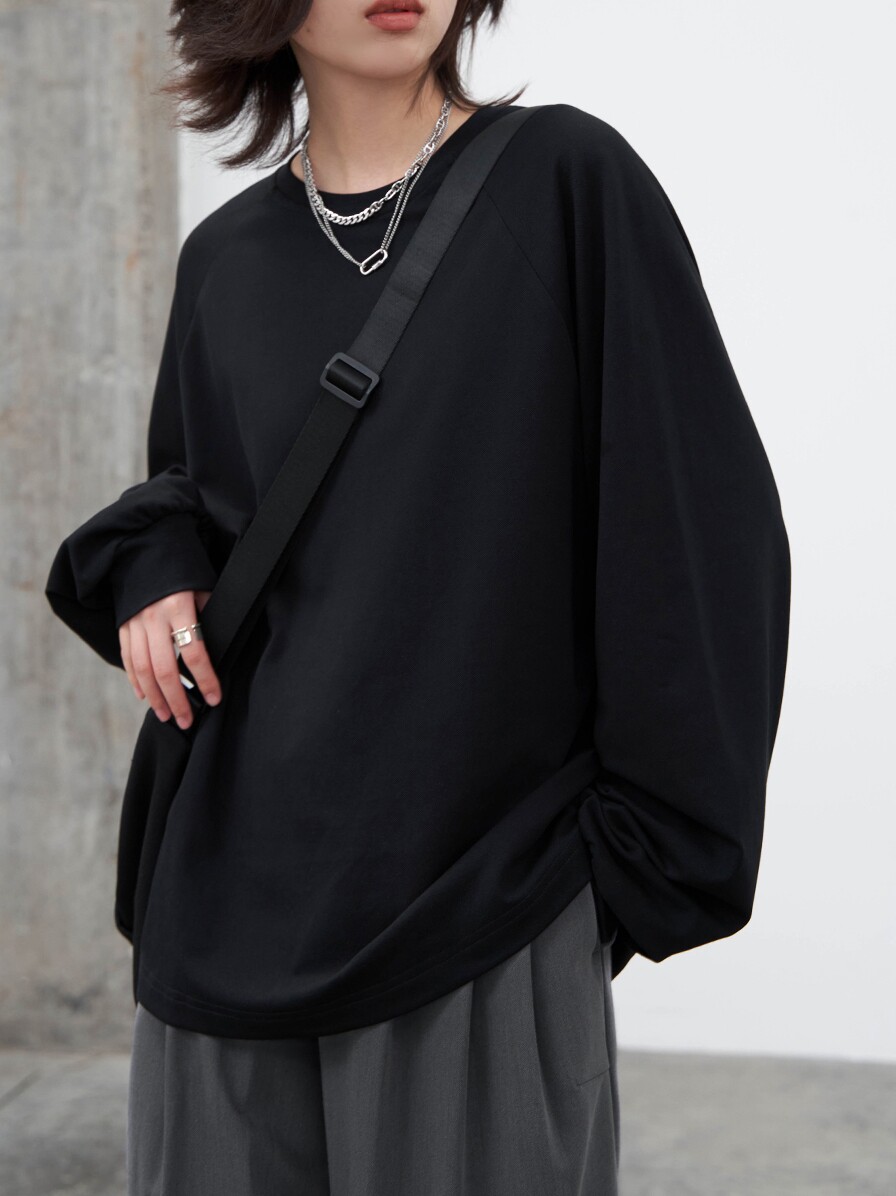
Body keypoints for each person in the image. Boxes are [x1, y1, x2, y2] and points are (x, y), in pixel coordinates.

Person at [44, 0, 792, 1192]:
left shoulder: (565, 182)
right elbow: (199, 489)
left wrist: (619, 872)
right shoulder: (226, 257)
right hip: (223, 918)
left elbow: (697, 522)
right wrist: (150, 563)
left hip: (472, 915)